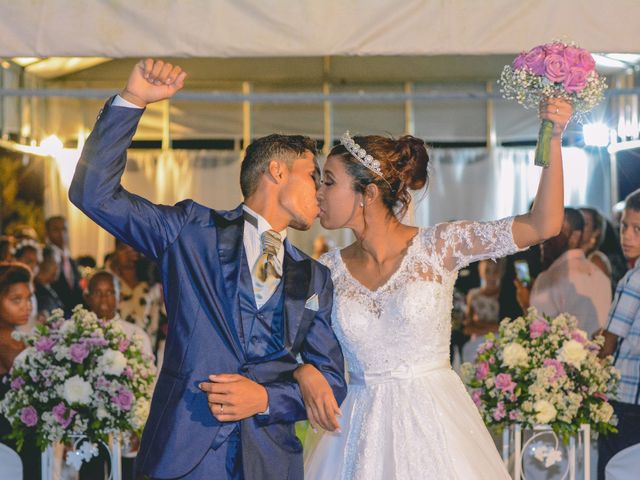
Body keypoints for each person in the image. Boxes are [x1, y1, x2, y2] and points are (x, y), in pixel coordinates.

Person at [69, 58, 346, 480]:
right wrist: (133, 101)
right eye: (313, 176)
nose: (320, 193)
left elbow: (332, 381)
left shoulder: (314, 277)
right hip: (184, 451)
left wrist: (267, 399)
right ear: (277, 170)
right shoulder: (191, 230)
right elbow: (94, 195)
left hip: (270, 461)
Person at [295, 98, 572, 479]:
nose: (318, 193)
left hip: (436, 425)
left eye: (328, 181)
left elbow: (544, 224)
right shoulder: (326, 271)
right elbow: (294, 344)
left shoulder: (441, 246)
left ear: (368, 193)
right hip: (357, 432)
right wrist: (303, 372)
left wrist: (554, 138)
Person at [81, 270, 153, 480]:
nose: (104, 299)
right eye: (97, 292)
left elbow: (147, 385)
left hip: (126, 426)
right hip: (87, 427)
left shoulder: (136, 334)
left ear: (119, 296)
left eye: (110, 292)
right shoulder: (76, 333)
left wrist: (139, 428)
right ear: (87, 297)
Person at [597, 188, 640, 479]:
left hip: (625, 398)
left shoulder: (634, 278)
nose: (626, 236)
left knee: (611, 470)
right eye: (624, 226)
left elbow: (610, 341)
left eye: (637, 229)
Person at [516, 207, 612, 336]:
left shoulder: (549, 278)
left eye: (554, 233)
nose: (543, 241)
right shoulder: (600, 275)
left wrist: (526, 304)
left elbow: (539, 334)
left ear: (574, 237)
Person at [0, 262, 41, 479]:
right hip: (12, 440)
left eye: (28, 298)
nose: (26, 307)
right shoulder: (8, 343)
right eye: (16, 300)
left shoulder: (15, 337)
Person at [462, 258, 505, 362]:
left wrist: (480, 325)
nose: (491, 276)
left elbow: (504, 327)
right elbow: (467, 328)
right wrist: (493, 328)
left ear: (501, 272)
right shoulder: (473, 295)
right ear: (481, 272)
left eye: (495, 271)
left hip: (500, 341)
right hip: (478, 343)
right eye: (487, 271)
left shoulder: (504, 294)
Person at [45, 216, 83, 314]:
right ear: (47, 233)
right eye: (56, 229)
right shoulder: (44, 258)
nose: (61, 234)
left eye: (64, 229)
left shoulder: (71, 260)